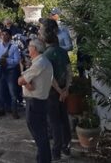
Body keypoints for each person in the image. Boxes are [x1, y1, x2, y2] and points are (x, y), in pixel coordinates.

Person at [39, 18, 73, 161]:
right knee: (64, 119)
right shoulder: (62, 52)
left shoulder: (46, 55)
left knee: (54, 122)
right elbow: (69, 71)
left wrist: (59, 91)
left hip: (53, 92)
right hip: (63, 90)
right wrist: (66, 89)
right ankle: (66, 146)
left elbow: (50, 77)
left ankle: (57, 150)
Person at [18, 38, 53, 163]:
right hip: (38, 100)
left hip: (35, 101)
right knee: (40, 133)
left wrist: (24, 81)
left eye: (30, 47)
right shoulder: (40, 61)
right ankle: (43, 158)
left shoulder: (40, 63)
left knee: (39, 134)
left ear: (35, 49)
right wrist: (26, 82)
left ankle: (43, 159)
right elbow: (27, 81)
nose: (28, 49)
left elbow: (21, 80)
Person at [0, 28, 21, 119]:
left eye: (6, 34)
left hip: (10, 71)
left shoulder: (14, 47)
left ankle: (14, 110)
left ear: (10, 36)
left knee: (13, 92)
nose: (4, 36)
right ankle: (1, 109)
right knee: (1, 91)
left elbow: (17, 60)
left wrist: (7, 61)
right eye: (3, 34)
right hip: (1, 71)